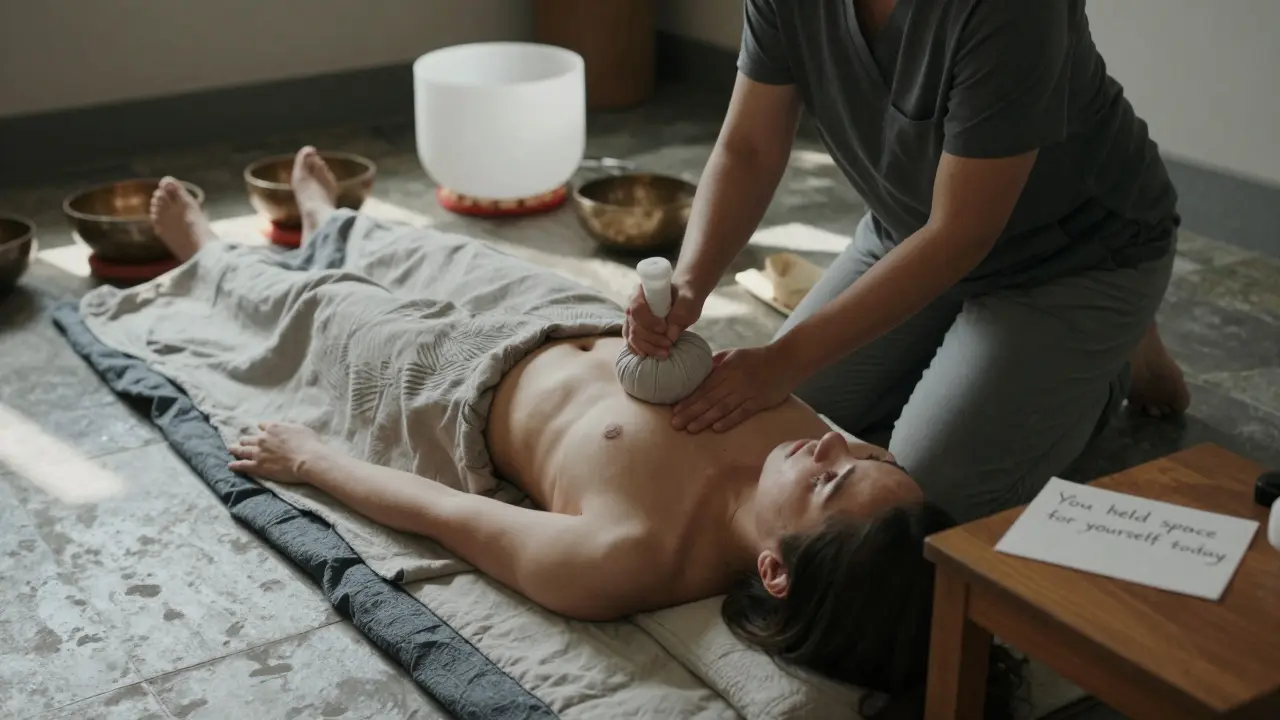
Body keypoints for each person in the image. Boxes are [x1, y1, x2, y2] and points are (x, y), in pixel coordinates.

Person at [145, 148, 1020, 716]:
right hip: (560, 312)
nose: (830, 444)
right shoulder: (787, 429)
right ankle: (331, 222)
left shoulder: (631, 557)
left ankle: (210, 260)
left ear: (775, 568)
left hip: (440, 388)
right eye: (866, 450)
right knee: (423, 251)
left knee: (319, 308)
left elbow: (446, 517)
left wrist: (316, 463)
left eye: (832, 478)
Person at [624, 0, 1192, 525]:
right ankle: (1034, 349)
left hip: (1074, 254)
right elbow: (748, 146)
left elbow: (960, 234)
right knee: (775, 432)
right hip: (909, 231)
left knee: (917, 496)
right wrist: (689, 280)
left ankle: (1110, 354)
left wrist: (783, 360)